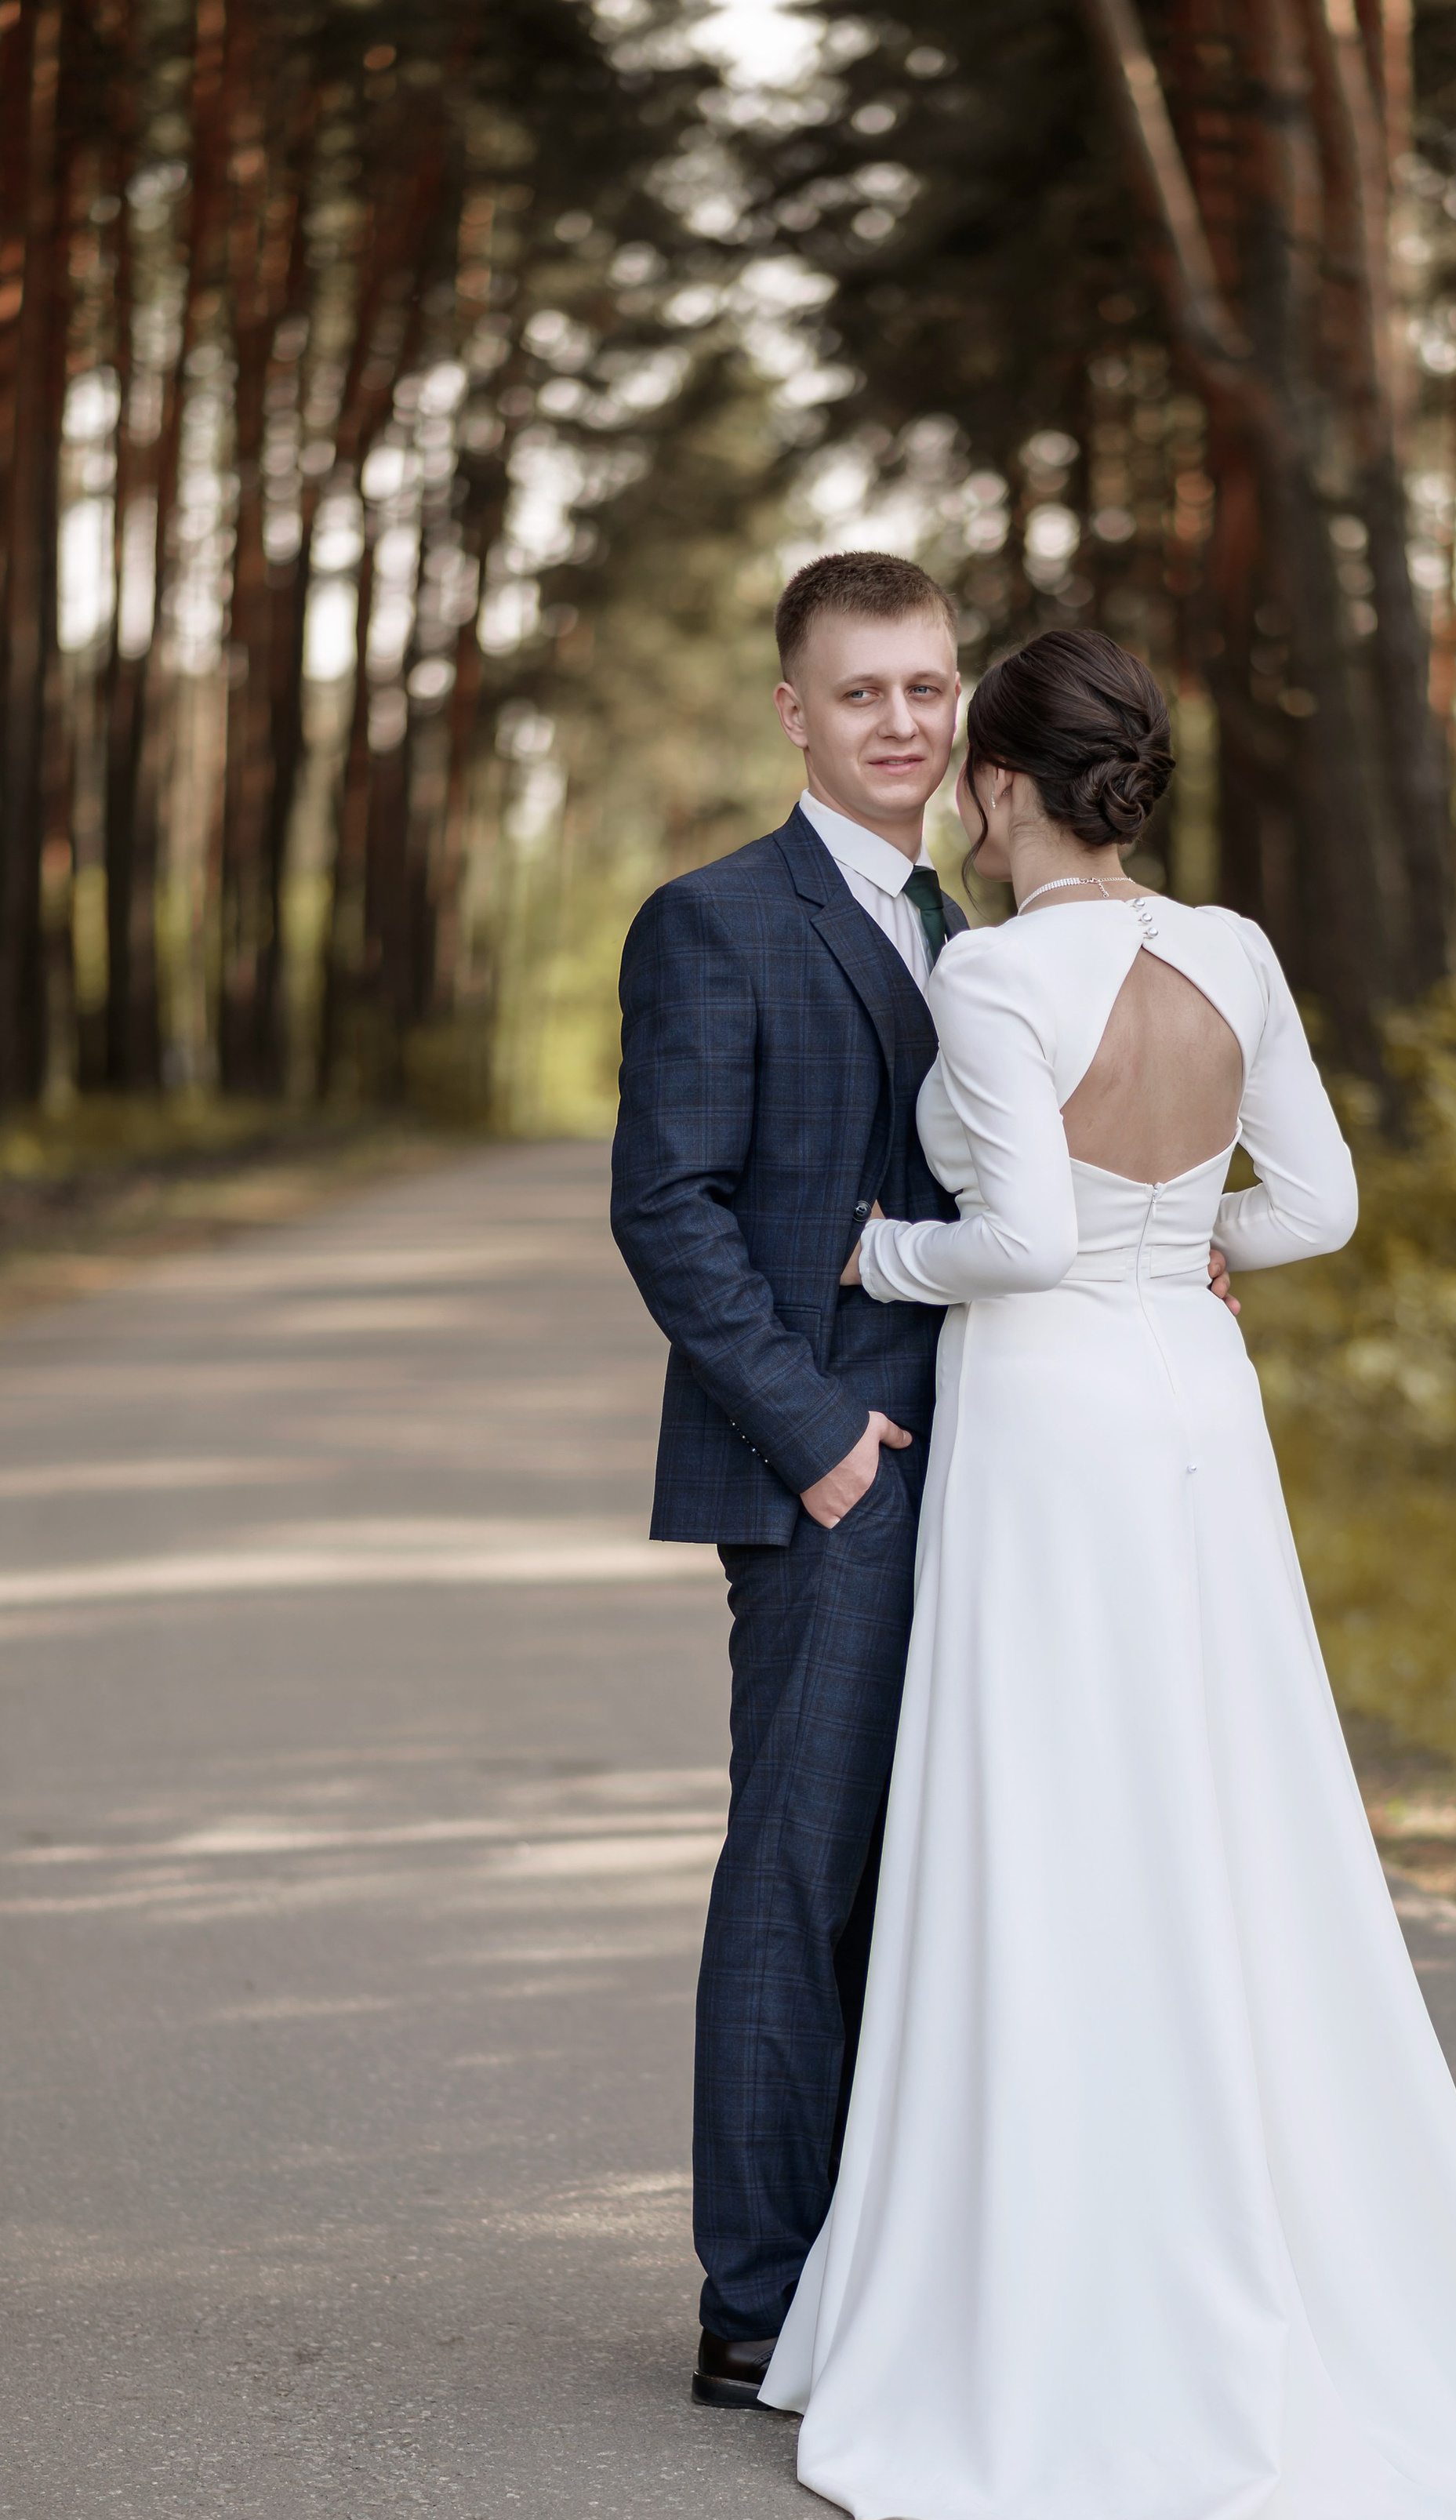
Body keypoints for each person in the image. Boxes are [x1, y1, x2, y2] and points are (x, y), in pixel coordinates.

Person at [759, 626, 1456, 2520]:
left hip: (1056, 1411)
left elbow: (1020, 1240)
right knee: (1218, 1797)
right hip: (1193, 1392)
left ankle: (1045, 2266)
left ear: (1000, 786)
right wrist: (1192, 1238)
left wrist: (871, 1254)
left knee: (1050, 1813)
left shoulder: (992, 972)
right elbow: (1316, 1207)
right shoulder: (1232, 952)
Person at [610, 552, 970, 2409]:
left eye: (925, 687)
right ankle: (754, 2299)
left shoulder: (972, 932)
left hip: (992, 1466)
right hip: (829, 1471)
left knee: (930, 1874)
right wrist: (813, 1436)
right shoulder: (715, 920)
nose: (899, 723)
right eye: (860, 693)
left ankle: (881, 2271)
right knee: (798, 1868)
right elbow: (665, 1208)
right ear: (791, 713)